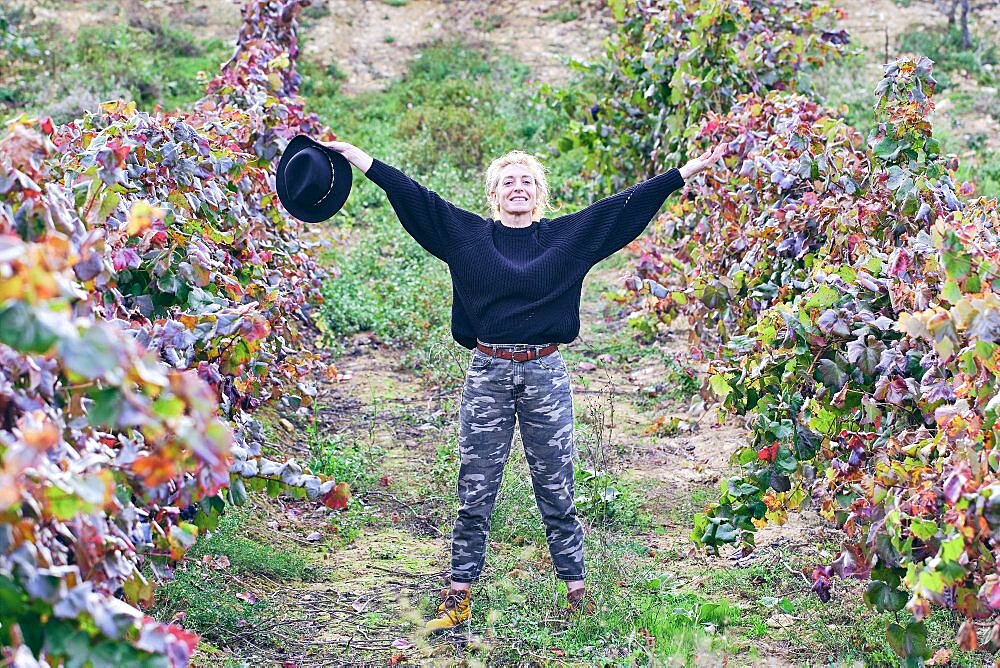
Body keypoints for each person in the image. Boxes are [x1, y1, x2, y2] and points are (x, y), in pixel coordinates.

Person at [317, 138, 727, 630]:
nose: (518, 188)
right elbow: (415, 197)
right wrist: (362, 158)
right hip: (488, 372)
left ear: (539, 194)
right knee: (476, 487)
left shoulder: (565, 239)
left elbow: (624, 208)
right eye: (508, 182)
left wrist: (683, 173)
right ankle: (458, 592)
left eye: (526, 182)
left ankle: (575, 587)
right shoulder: (466, 237)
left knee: (557, 486)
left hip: (544, 370)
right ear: (493, 194)